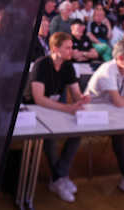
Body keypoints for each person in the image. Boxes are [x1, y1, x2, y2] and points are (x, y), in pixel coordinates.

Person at [23, 32, 91, 203]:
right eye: (68, 47)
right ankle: (59, 178)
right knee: (50, 138)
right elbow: (38, 99)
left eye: (72, 47)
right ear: (55, 49)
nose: (72, 50)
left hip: (54, 108)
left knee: (77, 132)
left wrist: (82, 98)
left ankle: (59, 176)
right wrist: (67, 108)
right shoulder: (41, 65)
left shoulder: (68, 66)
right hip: (33, 110)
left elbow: (75, 93)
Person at [85, 41, 124, 202]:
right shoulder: (108, 70)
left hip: (117, 114)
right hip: (94, 114)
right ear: (121, 57)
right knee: (120, 133)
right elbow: (118, 102)